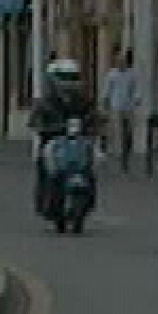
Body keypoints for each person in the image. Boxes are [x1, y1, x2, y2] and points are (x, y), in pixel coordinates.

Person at [28, 57, 97, 216]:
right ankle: (44, 198)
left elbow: (91, 114)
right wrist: (44, 127)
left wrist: (95, 123)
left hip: (77, 140)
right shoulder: (46, 101)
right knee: (45, 165)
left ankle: (89, 196)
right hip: (53, 141)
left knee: (89, 163)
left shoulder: (82, 100)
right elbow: (35, 119)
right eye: (65, 78)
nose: (69, 82)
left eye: (73, 78)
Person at [102, 49, 142, 172]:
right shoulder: (112, 74)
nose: (121, 63)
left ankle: (126, 151)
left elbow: (136, 88)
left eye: (123, 61)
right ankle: (120, 155)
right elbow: (107, 89)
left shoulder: (132, 74)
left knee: (129, 131)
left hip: (128, 107)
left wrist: (137, 98)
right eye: (119, 61)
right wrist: (105, 101)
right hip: (116, 106)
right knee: (118, 131)